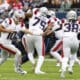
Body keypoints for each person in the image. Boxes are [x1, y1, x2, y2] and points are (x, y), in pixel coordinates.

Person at [0, 9, 32, 74]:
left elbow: (25, 30)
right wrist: (7, 30)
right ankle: (17, 69)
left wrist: (35, 32)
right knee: (18, 53)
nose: (21, 20)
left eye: (22, 18)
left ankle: (17, 68)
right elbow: (0, 28)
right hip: (3, 43)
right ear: (16, 17)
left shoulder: (20, 24)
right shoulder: (9, 21)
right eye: (20, 18)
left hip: (8, 43)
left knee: (4, 58)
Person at [23, 7, 53, 74]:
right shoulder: (48, 20)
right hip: (38, 35)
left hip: (29, 34)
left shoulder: (35, 12)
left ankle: (33, 62)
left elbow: (27, 14)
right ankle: (37, 70)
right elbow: (49, 28)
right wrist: (44, 33)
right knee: (41, 55)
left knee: (30, 52)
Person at [60, 10, 80, 78]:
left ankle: (63, 71)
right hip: (75, 39)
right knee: (74, 55)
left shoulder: (63, 22)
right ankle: (70, 68)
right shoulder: (78, 23)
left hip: (66, 38)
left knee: (66, 57)